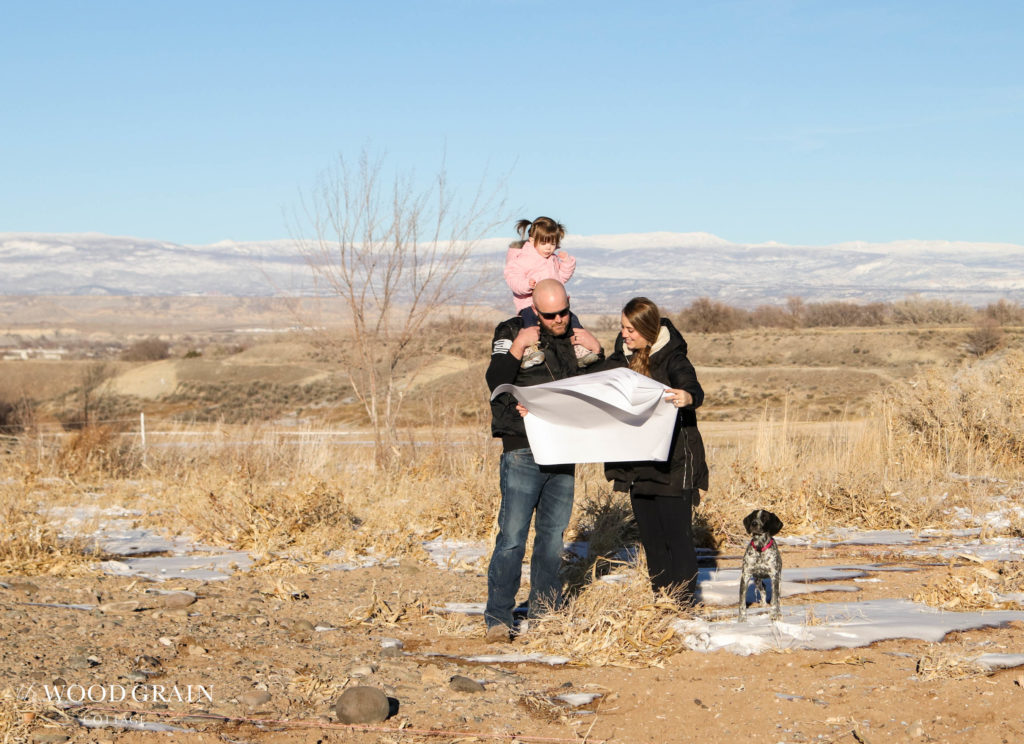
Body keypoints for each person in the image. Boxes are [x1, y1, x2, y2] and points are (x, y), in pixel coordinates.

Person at [484, 278, 604, 641]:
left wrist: (597, 352)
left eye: (564, 312)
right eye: (550, 315)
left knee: (552, 539)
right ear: (535, 310)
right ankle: (498, 619)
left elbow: (601, 385)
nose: (559, 320)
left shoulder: (575, 331)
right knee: (512, 538)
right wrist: (519, 346)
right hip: (522, 449)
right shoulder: (511, 330)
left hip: (563, 449)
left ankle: (545, 614)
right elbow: (495, 381)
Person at [602, 297, 708, 605]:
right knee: (651, 539)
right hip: (637, 465)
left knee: (677, 537)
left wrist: (687, 397)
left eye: (631, 329)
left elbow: (693, 389)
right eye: (622, 328)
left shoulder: (673, 358)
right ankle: (661, 598)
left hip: (674, 463)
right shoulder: (619, 361)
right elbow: (593, 384)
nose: (625, 334)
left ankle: (685, 601)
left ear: (648, 329)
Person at [504, 217, 600, 369]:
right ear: (532, 240)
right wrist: (526, 285)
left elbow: (561, 278)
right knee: (530, 326)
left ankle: (579, 349)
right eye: (544, 243)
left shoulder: (552, 259)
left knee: (573, 322)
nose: (549, 248)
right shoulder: (524, 259)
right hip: (529, 303)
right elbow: (512, 278)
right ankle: (529, 351)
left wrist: (567, 263)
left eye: (552, 243)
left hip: (554, 306)